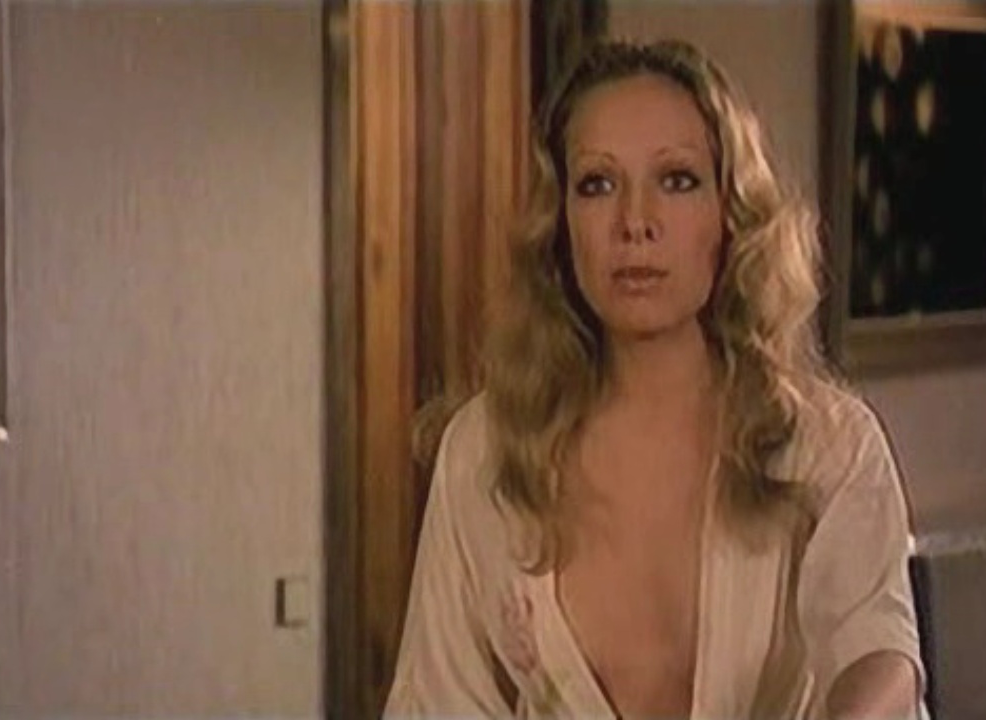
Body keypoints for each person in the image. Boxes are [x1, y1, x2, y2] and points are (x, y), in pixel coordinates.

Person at [385, 38, 924, 719]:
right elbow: (437, 700)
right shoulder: (486, 451)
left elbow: (880, 651)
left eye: (676, 180)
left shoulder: (826, 445)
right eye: (597, 184)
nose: (635, 223)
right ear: (561, 224)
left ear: (729, 215)